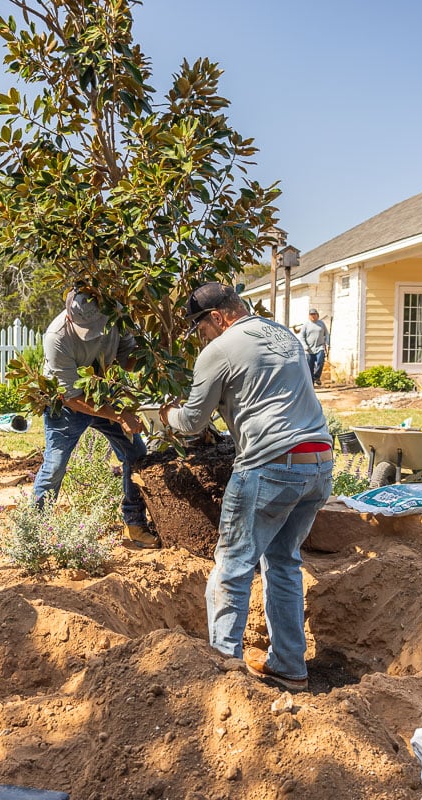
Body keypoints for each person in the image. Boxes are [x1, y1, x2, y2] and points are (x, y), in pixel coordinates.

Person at [160, 283, 332, 691]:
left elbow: (192, 422)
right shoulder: (281, 333)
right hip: (320, 462)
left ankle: (224, 676)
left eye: (201, 327)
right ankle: (290, 666)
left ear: (218, 318)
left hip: (271, 465)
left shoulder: (218, 350)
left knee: (233, 568)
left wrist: (166, 414)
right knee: (283, 561)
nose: (200, 336)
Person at [32, 290, 159, 548]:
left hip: (103, 393)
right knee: (55, 465)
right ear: (70, 317)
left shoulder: (116, 317)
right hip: (66, 403)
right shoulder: (57, 338)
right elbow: (70, 396)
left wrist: (154, 354)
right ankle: (36, 531)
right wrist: (118, 415)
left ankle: (134, 523)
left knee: (135, 453)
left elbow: (127, 362)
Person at [301, 308, 329, 386]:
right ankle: (311, 384)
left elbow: (326, 334)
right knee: (310, 366)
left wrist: (327, 342)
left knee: (320, 361)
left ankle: (317, 377)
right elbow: (302, 337)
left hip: (320, 347)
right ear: (309, 316)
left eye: (314, 314)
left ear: (317, 315)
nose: (313, 316)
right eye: (311, 315)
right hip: (309, 349)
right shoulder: (306, 325)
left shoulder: (321, 323)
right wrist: (305, 346)